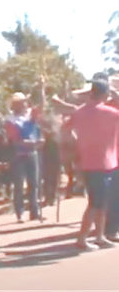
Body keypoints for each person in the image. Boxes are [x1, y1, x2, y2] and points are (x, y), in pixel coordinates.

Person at [63, 79, 119, 250]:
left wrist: (76, 144)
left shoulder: (79, 112)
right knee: (96, 203)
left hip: (89, 162)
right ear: (104, 93)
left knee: (100, 202)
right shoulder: (110, 112)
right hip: (102, 163)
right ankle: (82, 239)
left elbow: (64, 130)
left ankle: (100, 236)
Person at [5, 92, 45, 223]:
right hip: (18, 155)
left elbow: (41, 106)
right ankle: (20, 212)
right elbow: (14, 140)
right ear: (15, 105)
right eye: (21, 102)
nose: (24, 104)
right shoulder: (10, 120)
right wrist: (31, 143)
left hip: (32, 152)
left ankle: (35, 211)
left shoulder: (30, 115)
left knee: (34, 184)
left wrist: (41, 89)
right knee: (19, 185)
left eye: (24, 102)